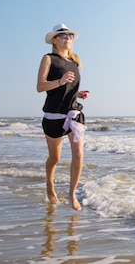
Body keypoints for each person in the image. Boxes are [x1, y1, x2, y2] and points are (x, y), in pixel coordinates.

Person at [37, 23, 90, 209]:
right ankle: (49, 183)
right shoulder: (48, 58)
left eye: (70, 35)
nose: (68, 37)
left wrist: (78, 94)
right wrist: (59, 81)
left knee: (78, 154)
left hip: (74, 113)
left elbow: (68, 89)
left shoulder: (75, 62)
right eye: (63, 35)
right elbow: (40, 86)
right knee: (55, 158)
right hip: (54, 114)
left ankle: (72, 193)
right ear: (54, 40)